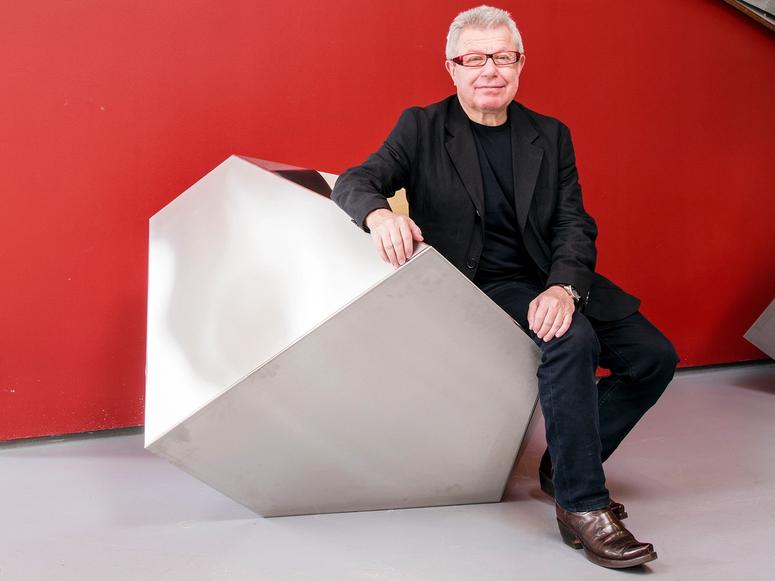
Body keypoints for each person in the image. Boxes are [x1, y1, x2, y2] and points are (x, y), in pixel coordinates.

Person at [332, 5, 678, 570]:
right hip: (480, 283)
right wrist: (378, 215)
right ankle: (581, 503)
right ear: (452, 67)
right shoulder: (421, 127)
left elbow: (574, 224)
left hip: (549, 274)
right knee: (573, 341)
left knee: (653, 356)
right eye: (475, 58)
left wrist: (565, 287)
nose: (489, 69)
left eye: (503, 57)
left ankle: (563, 465)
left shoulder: (550, 135)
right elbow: (357, 181)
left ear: (520, 64)